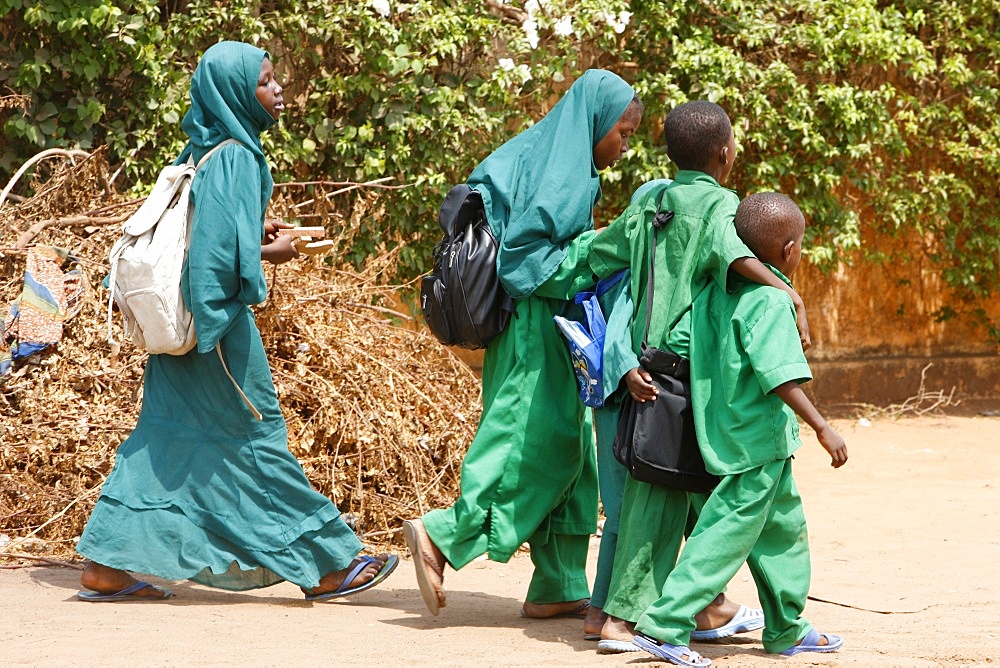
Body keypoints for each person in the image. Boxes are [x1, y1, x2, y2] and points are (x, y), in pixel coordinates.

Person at [75, 41, 396, 602]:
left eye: (276, 80)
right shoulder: (239, 157)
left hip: (183, 329)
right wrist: (274, 253)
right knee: (257, 439)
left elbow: (209, 228)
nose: (278, 92)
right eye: (266, 81)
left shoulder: (205, 147)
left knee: (165, 440)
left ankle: (106, 565)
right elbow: (217, 259)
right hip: (216, 331)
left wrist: (258, 231)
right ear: (235, 92)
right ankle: (327, 565)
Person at [403, 69, 643, 618]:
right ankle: (444, 534)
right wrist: (607, 247)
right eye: (622, 134)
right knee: (527, 441)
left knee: (572, 450)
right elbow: (527, 263)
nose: (624, 148)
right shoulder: (562, 173)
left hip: (544, 324)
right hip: (534, 324)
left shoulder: (547, 156)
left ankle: (558, 584)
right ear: (597, 123)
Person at [586, 101, 811, 652]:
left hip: (646, 366)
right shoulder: (720, 206)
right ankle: (641, 619)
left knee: (662, 493)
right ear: (726, 154)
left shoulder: (651, 201)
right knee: (699, 500)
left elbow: (603, 254)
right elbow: (734, 255)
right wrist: (791, 292)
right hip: (691, 376)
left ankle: (657, 613)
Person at [632, 192, 848, 666]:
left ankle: (787, 627)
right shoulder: (770, 301)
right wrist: (822, 427)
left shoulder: (711, 293)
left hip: (726, 435)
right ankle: (665, 624)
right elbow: (781, 377)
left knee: (781, 531)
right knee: (724, 534)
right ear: (789, 251)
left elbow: (683, 345)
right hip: (758, 440)